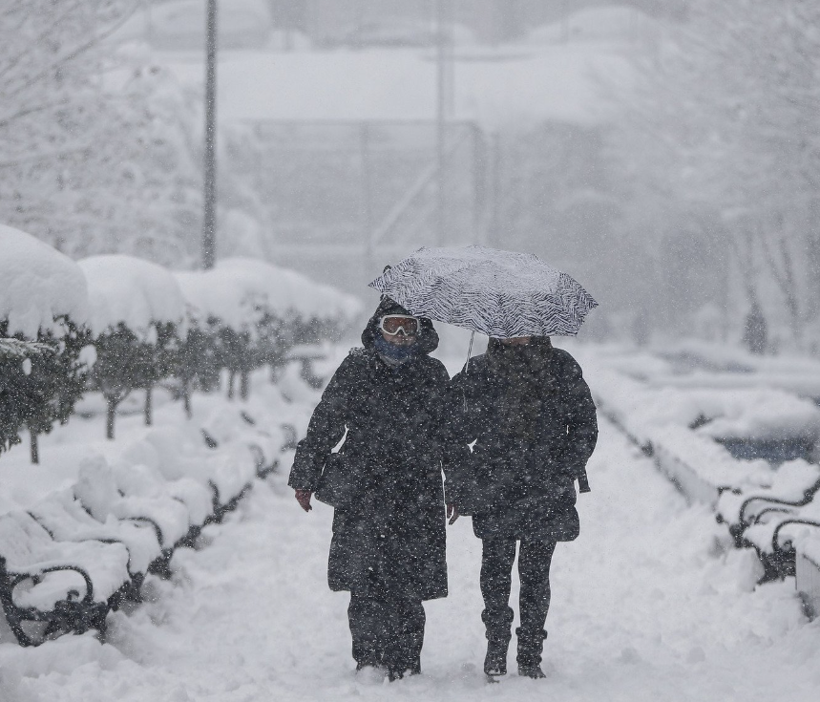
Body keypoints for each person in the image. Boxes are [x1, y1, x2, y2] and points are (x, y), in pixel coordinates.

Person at [288, 297, 452, 681]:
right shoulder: (356, 368)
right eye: (392, 325)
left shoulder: (433, 374)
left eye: (408, 327)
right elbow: (325, 421)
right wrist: (304, 477)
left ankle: (407, 661)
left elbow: (451, 438)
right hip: (363, 488)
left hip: (418, 490)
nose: (399, 334)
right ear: (377, 327)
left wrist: (460, 486)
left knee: (409, 583)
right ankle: (369, 659)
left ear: (421, 332)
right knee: (365, 579)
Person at [446, 336, 598, 679]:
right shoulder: (478, 370)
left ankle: (530, 654)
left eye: (527, 326)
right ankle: (496, 646)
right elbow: (452, 432)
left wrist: (564, 467)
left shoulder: (561, 366)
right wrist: (460, 477)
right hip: (494, 487)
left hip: (546, 487)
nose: (518, 332)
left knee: (535, 574)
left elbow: (585, 425)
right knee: (495, 572)